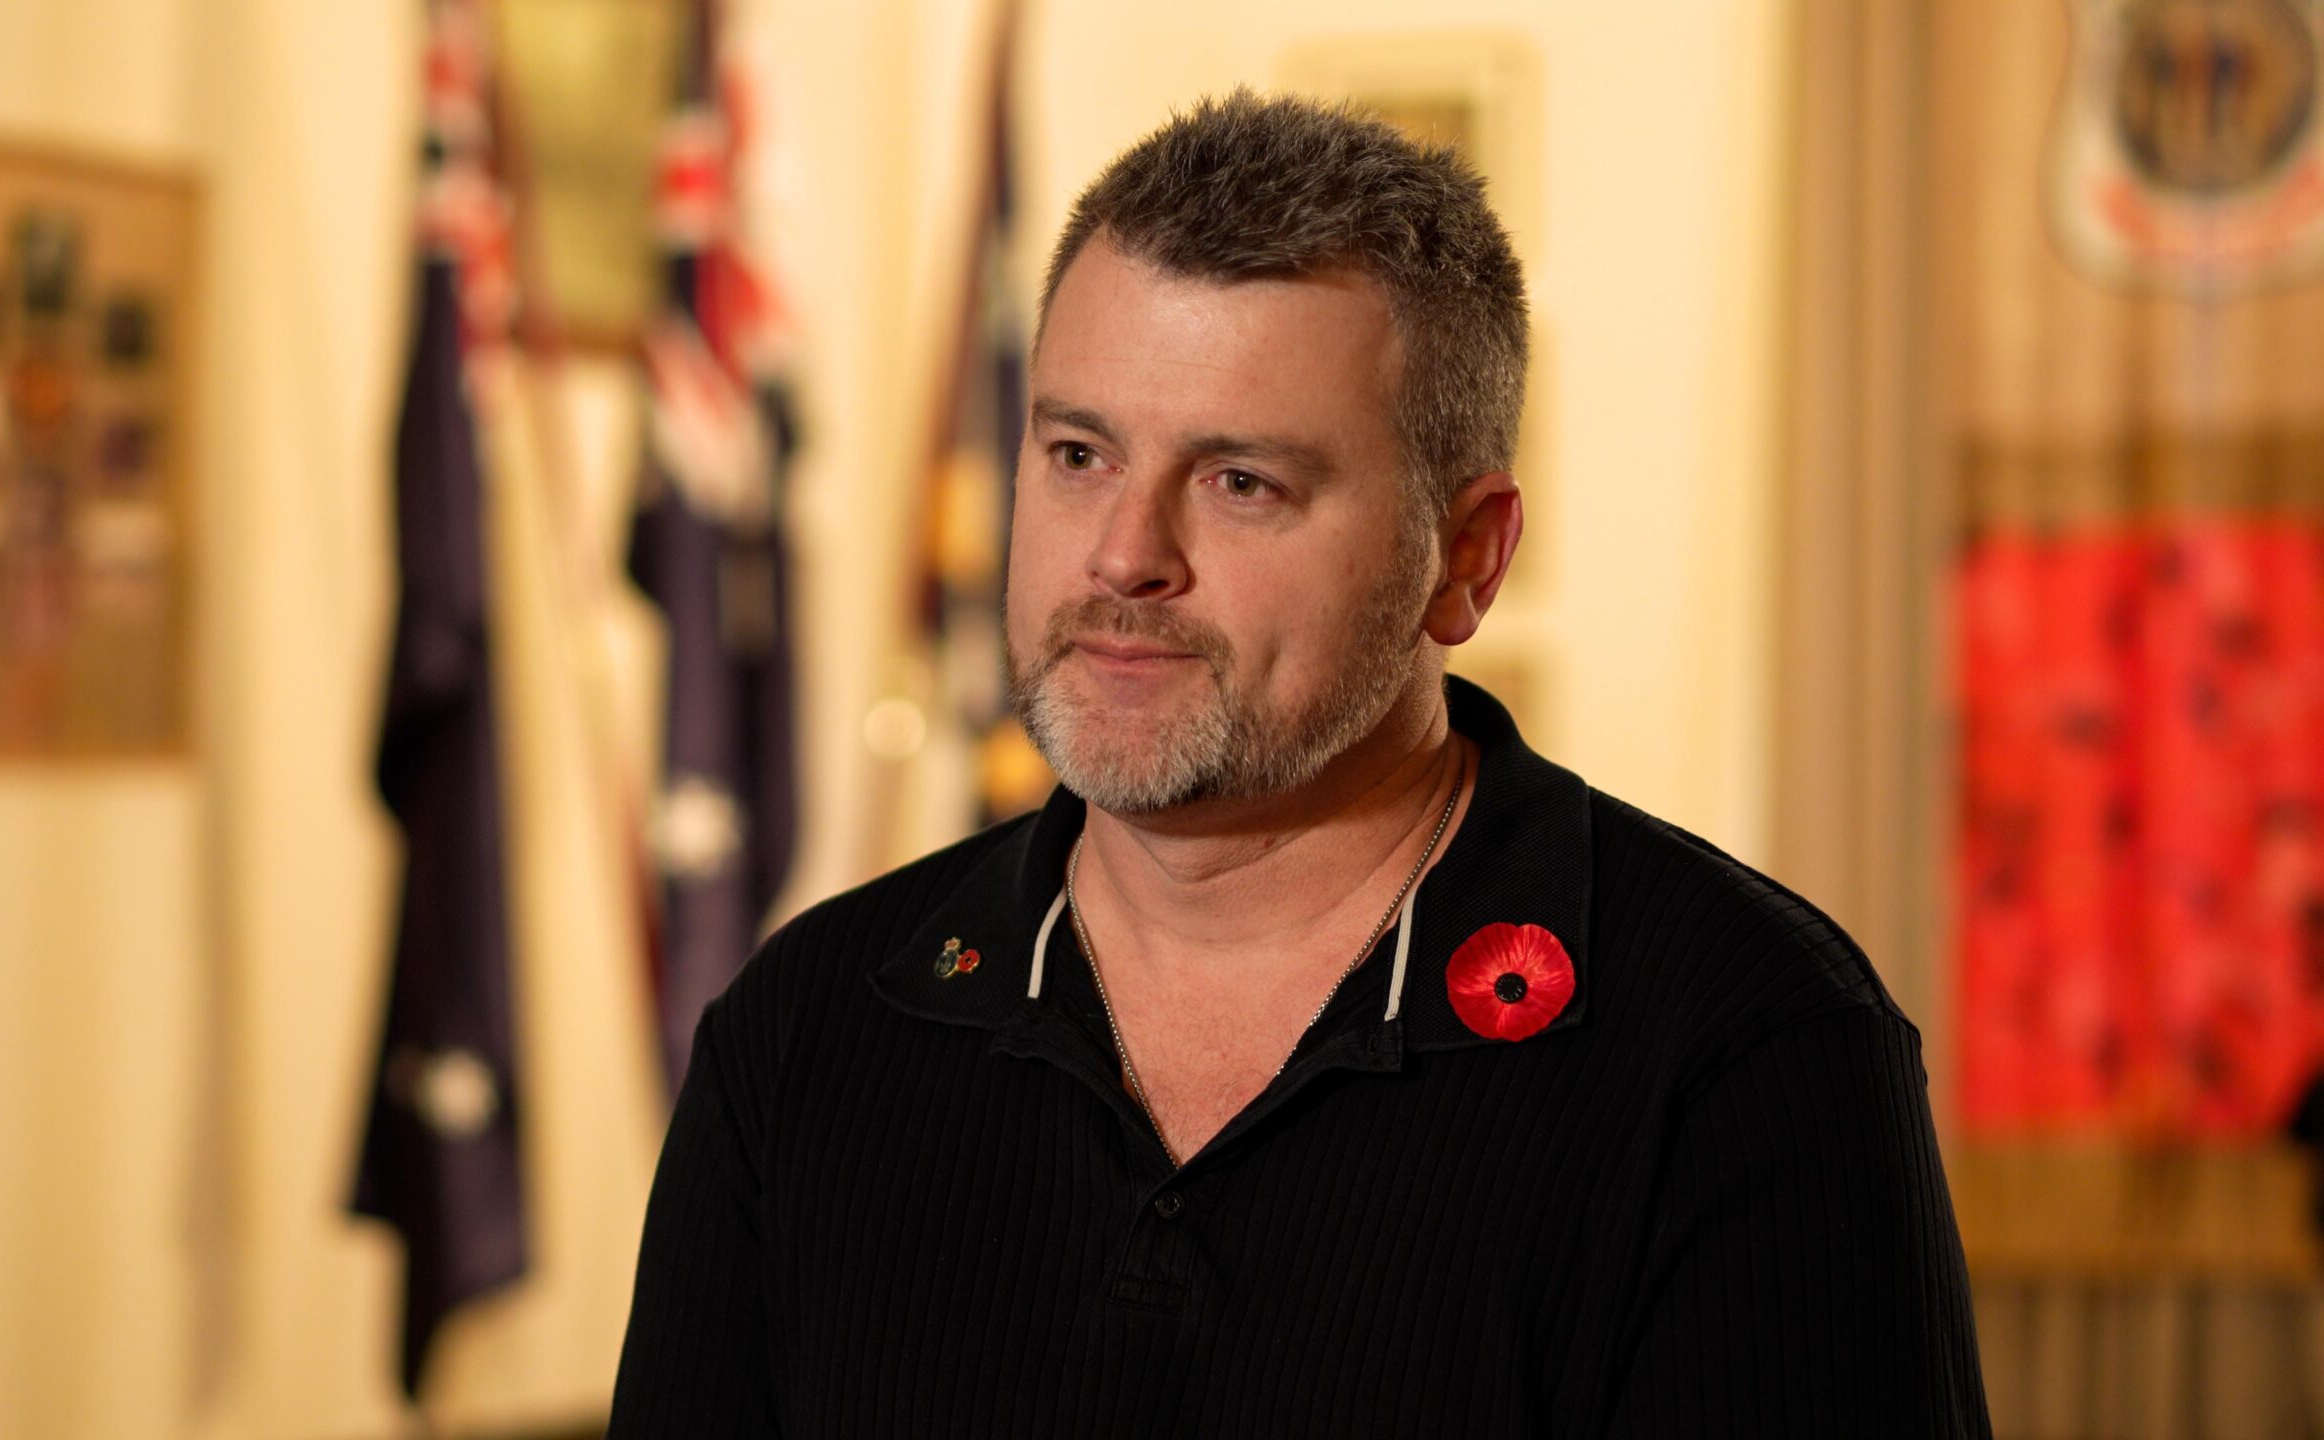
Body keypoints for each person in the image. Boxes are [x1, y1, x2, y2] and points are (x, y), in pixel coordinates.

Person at [606, 89, 1992, 1437]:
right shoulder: (805, 1031)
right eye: (1080, 453)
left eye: (1242, 482)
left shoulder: (1747, 1049)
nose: (1124, 557)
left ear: (1466, 558)